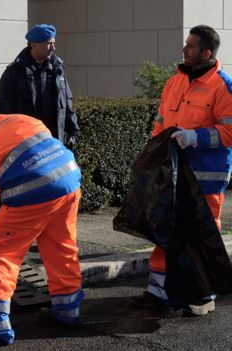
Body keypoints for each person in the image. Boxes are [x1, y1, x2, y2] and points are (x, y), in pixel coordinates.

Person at [130, 25, 232, 316]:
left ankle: (203, 296)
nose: (184, 49)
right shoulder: (175, 82)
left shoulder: (223, 87)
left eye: (190, 46)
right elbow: (161, 123)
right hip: (173, 172)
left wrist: (195, 137)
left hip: (205, 176)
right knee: (166, 226)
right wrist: (155, 151)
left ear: (206, 52)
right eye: (186, 44)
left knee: (202, 235)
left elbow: (230, 131)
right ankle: (157, 289)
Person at [0, 112, 83, 346]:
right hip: (68, 179)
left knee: (0, 254)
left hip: (30, 190)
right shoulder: (22, 119)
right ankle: (68, 311)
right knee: (61, 248)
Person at [0, 24, 80, 150]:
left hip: (54, 141)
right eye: (48, 43)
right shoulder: (14, 72)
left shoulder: (58, 69)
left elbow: (67, 103)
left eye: (53, 43)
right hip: (26, 142)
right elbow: (4, 110)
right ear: (33, 44)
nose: (53, 48)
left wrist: (74, 132)